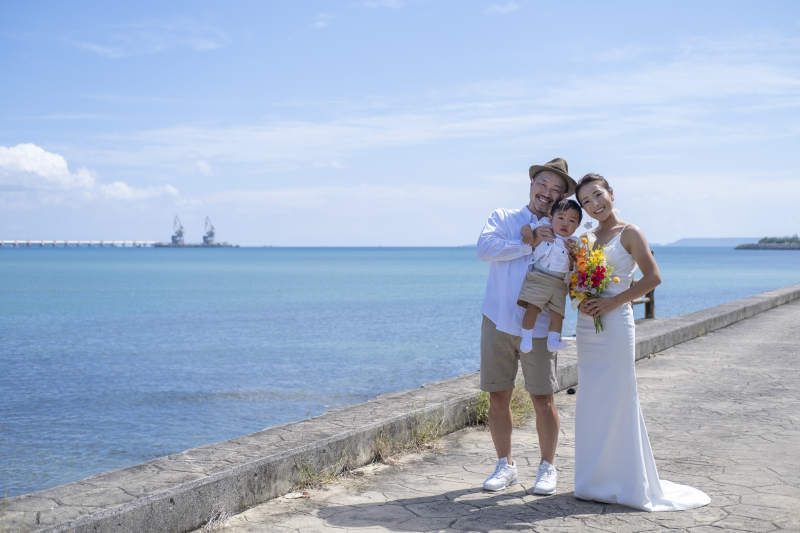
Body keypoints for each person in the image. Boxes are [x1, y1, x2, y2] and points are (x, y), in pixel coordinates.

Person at [573, 173, 711, 511]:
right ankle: (593, 480)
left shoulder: (629, 232)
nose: (594, 205)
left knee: (619, 395)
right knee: (591, 398)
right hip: (588, 325)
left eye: (598, 195)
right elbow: (576, 281)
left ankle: (626, 481)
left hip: (616, 322)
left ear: (611, 193)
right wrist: (581, 297)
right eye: (586, 202)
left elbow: (653, 277)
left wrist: (611, 302)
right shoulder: (585, 238)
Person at [476, 157, 576, 495]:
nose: (547, 193)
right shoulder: (504, 218)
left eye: (556, 189)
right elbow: (484, 249)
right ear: (531, 185)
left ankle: (548, 468)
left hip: (540, 325)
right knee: (498, 395)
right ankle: (505, 465)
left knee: (543, 398)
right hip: (498, 319)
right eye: (542, 185)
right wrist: (527, 241)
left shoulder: (565, 230)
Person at [517, 199, 582, 354]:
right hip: (539, 276)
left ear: (577, 226)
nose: (565, 223)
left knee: (558, 314)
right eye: (561, 218)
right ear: (551, 217)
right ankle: (526, 338)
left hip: (560, 283)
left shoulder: (575, 243)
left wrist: (575, 257)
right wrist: (527, 233)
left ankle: (553, 342)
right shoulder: (544, 227)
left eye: (572, 221)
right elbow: (526, 227)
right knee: (532, 308)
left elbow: (578, 265)